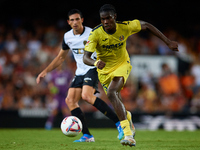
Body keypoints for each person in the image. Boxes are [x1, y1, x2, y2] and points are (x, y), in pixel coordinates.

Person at [83, 4, 179, 147]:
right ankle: (128, 117)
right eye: (102, 19)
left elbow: (146, 25)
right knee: (116, 100)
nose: (105, 22)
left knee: (111, 92)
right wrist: (96, 63)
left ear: (114, 17)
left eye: (108, 18)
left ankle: (128, 134)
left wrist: (167, 42)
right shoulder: (96, 33)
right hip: (104, 70)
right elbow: (86, 57)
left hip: (122, 65)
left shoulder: (125, 27)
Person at [36, 9, 123, 142]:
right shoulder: (67, 37)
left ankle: (120, 123)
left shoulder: (92, 33)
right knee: (70, 101)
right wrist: (45, 71)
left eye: (77, 19)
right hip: (80, 71)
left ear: (82, 20)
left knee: (86, 96)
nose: (75, 22)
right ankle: (87, 135)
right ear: (68, 22)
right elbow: (60, 58)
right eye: (72, 20)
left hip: (93, 67)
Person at [44, 64, 73, 130]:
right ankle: (48, 125)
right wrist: (52, 89)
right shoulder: (53, 74)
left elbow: (70, 82)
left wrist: (69, 90)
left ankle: (69, 125)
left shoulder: (67, 73)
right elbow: (50, 84)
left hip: (64, 95)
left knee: (65, 110)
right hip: (57, 95)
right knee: (54, 110)